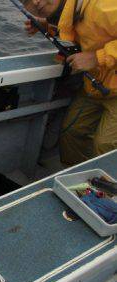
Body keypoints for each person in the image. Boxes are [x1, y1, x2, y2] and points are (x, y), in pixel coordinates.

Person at [22, 0, 117, 166]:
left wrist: (97, 57)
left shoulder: (104, 6)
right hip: (97, 86)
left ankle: (108, 187)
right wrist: (48, 27)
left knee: (105, 145)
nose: (35, 2)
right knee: (71, 133)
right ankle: (81, 182)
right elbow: (86, 30)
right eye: (26, 0)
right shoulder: (69, 12)